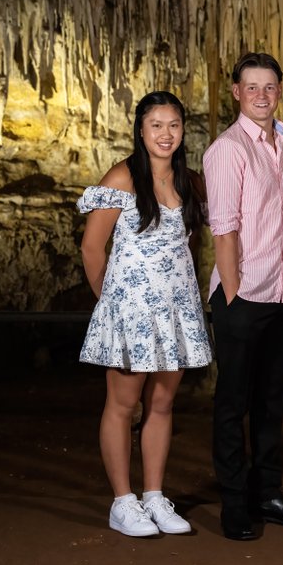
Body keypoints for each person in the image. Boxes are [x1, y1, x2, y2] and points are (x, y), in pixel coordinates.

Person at [78, 91, 211, 537]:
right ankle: (123, 502)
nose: (165, 134)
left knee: (162, 403)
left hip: (175, 310)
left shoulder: (191, 181)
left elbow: (190, 244)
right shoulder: (122, 177)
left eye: (173, 125)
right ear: (140, 130)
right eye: (156, 125)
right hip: (131, 311)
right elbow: (92, 248)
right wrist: (111, 304)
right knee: (123, 404)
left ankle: (154, 496)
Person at [204, 51, 283, 541]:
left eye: (269, 87)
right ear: (236, 92)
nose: (261, 95)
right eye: (251, 87)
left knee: (273, 402)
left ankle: (268, 494)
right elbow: (224, 230)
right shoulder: (227, 150)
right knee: (234, 402)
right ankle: (235, 503)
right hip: (244, 297)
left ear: (279, 91)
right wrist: (234, 299)